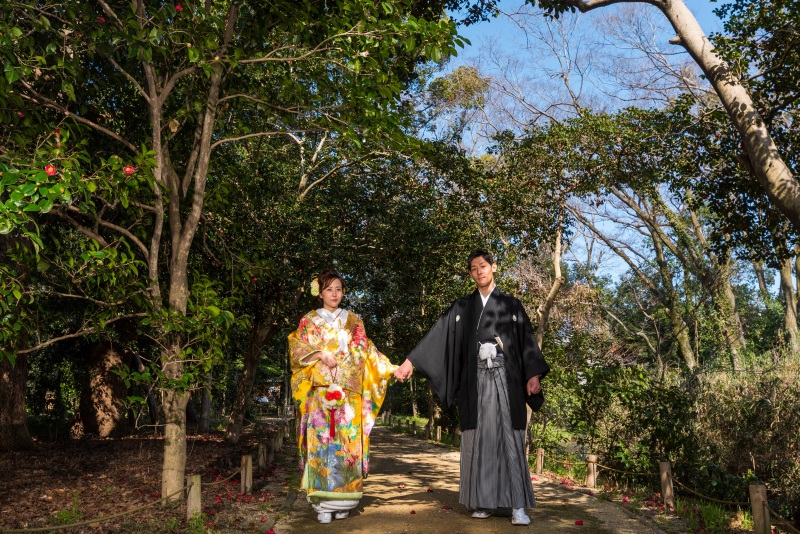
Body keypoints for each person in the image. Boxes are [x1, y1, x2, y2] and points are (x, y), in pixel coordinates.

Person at [394, 250, 550, 526]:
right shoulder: (463, 307)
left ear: (493, 268)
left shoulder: (512, 304)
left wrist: (533, 374)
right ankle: (482, 502)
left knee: (509, 438)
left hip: (506, 377)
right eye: (474, 268)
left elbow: (526, 340)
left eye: (484, 266)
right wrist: (410, 361)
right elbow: (439, 333)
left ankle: (517, 507)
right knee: (479, 440)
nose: (479, 271)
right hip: (476, 381)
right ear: (470, 274)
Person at [289, 269, 397, 524]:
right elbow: (296, 348)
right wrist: (318, 354)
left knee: (347, 446)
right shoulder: (308, 321)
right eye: (328, 289)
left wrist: (391, 368)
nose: (334, 294)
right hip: (320, 394)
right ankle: (322, 505)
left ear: (343, 291)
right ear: (320, 293)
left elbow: (367, 351)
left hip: (349, 397)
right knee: (321, 446)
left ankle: (346, 500)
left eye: (338, 289)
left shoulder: (354, 321)